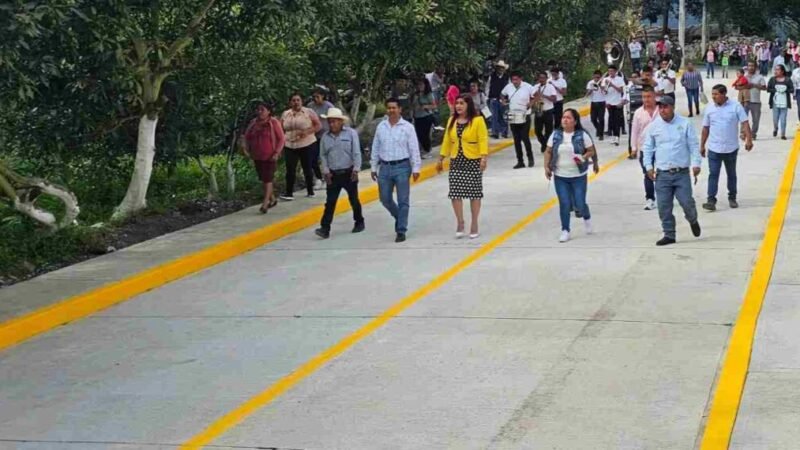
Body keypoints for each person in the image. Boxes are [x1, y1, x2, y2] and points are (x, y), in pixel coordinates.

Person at [641, 95, 702, 246]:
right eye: (660, 107)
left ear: (673, 107)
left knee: (686, 202)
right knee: (663, 206)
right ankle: (669, 234)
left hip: (681, 173)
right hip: (662, 174)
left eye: (665, 107)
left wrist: (696, 164)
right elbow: (647, 148)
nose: (663, 110)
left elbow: (693, 146)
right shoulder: (653, 127)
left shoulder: (685, 123)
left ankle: (692, 219)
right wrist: (648, 167)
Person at [436, 94, 489, 239]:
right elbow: (447, 140)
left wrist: (483, 157)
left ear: (468, 105)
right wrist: (441, 158)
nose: (458, 106)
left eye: (462, 103)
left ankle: (474, 223)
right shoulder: (451, 121)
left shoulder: (478, 121)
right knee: (455, 193)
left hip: (473, 160)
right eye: (457, 103)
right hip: (456, 160)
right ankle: (460, 222)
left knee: (474, 193)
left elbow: (483, 139)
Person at [370, 98, 422, 243]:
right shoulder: (381, 127)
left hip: (402, 167)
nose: (391, 110)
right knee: (384, 198)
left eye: (394, 108)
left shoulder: (407, 127)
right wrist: (373, 167)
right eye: (389, 108)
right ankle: (399, 217)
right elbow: (375, 147)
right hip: (385, 167)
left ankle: (401, 230)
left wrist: (416, 167)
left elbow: (414, 148)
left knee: (403, 200)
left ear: (400, 109)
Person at [544, 108, 597, 243]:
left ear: (575, 121)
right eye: (563, 117)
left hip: (578, 175)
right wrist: (546, 167)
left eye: (568, 118)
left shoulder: (582, 135)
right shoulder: (555, 135)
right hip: (561, 176)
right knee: (565, 203)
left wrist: (583, 157)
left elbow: (591, 150)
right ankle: (565, 230)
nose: (565, 120)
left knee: (579, 203)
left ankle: (587, 217)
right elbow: (548, 151)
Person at [700, 85, 754, 213]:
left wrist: (749, 139)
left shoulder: (735, 106)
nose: (713, 97)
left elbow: (745, 123)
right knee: (713, 174)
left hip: (731, 149)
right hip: (714, 148)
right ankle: (711, 200)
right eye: (712, 94)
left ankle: (732, 197)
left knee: (731, 174)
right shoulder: (709, 108)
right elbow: (705, 128)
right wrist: (702, 145)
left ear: (724, 94)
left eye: (716, 94)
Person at [314, 108, 365, 238]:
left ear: (341, 122)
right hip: (333, 174)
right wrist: (326, 171)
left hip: (349, 172)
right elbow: (323, 155)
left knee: (353, 199)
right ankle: (325, 228)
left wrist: (356, 169)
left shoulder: (351, 134)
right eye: (330, 122)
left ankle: (359, 221)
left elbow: (356, 152)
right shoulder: (325, 137)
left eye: (335, 122)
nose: (332, 124)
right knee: (330, 202)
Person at [244, 102, 285, 214]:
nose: (260, 112)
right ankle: (272, 199)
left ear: (268, 111)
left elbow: (281, 139)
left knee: (268, 179)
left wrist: (277, 152)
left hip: (270, 156)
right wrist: (246, 149)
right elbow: (246, 137)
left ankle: (265, 203)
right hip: (257, 156)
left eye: (262, 109)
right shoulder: (253, 123)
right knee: (264, 179)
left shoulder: (273, 122)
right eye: (258, 109)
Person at [281, 93, 322, 200]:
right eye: (293, 100)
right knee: (290, 168)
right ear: (290, 102)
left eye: (298, 100)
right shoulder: (286, 114)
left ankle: (310, 190)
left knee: (307, 167)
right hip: (290, 144)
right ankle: (289, 193)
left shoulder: (308, 112)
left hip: (306, 143)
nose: (296, 102)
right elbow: (281, 128)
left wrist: (308, 132)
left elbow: (318, 125)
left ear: (301, 101)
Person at [630, 86, 660, 211]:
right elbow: (635, 131)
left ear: (654, 97)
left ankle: (664, 196)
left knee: (662, 173)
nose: (646, 99)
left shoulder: (662, 110)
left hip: (661, 147)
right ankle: (650, 199)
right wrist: (633, 147)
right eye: (644, 97)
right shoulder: (638, 113)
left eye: (649, 97)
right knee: (647, 173)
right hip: (644, 148)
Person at [501, 70, 538, 168]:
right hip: (512, 113)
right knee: (516, 139)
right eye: (513, 79)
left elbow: (537, 95)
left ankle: (530, 158)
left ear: (521, 79)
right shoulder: (508, 87)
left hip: (525, 113)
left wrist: (531, 103)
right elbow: (502, 94)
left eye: (516, 79)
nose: (514, 81)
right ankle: (520, 161)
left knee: (525, 137)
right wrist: (503, 100)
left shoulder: (528, 86)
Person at [308, 89, 335, 189]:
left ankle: (328, 178)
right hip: (314, 136)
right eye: (314, 97)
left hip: (326, 135)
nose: (315, 99)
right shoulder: (311, 106)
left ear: (323, 96)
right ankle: (318, 178)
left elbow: (334, 119)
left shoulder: (328, 106)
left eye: (317, 97)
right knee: (313, 158)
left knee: (326, 158)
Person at [738, 61, 767, 140]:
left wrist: (755, 85)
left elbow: (764, 88)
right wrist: (746, 86)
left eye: (752, 66)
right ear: (747, 67)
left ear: (756, 67)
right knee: (743, 118)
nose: (751, 67)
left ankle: (753, 133)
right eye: (749, 66)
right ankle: (743, 133)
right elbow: (737, 87)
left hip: (756, 101)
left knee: (756, 120)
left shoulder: (760, 77)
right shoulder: (743, 77)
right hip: (745, 101)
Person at [532, 71, 559, 155]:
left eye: (543, 78)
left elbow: (554, 99)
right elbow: (531, 97)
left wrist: (543, 95)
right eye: (540, 78)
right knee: (537, 131)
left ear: (546, 79)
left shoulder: (550, 87)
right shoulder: (535, 87)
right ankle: (545, 144)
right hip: (539, 110)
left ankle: (546, 146)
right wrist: (536, 96)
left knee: (548, 131)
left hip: (548, 110)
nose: (542, 79)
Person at [411, 78, 437, 159]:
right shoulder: (415, 95)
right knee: (419, 134)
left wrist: (425, 106)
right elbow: (413, 106)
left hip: (426, 116)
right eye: (419, 84)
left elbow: (434, 105)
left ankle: (427, 150)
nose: (420, 86)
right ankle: (423, 150)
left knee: (425, 135)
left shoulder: (428, 94)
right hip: (417, 117)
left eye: (422, 84)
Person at [767, 64, 794, 140]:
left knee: (783, 119)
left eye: (778, 70)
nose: (776, 71)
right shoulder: (772, 79)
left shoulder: (787, 80)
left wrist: (785, 90)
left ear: (782, 71)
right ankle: (775, 128)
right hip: (775, 102)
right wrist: (776, 90)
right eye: (775, 69)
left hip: (784, 102)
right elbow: (768, 89)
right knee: (775, 118)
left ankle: (783, 134)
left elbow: (792, 89)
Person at [485, 60, 510, 139]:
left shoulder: (507, 77)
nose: (500, 69)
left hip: (503, 100)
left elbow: (509, 88)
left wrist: (508, 99)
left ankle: (504, 132)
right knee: (494, 116)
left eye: (502, 68)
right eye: (499, 68)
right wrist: (487, 97)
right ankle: (495, 132)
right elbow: (488, 87)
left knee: (503, 116)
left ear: (504, 69)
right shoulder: (492, 76)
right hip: (493, 99)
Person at [603, 65, 626, 146]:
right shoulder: (605, 79)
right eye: (609, 71)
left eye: (612, 71)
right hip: (609, 103)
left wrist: (612, 85)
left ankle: (617, 137)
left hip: (617, 102)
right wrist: (605, 88)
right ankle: (613, 136)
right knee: (611, 121)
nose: (610, 73)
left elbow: (621, 90)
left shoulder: (620, 79)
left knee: (617, 120)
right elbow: (604, 92)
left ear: (615, 72)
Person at [586, 70, 607, 141]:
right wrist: (591, 89)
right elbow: (587, 95)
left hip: (602, 102)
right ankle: (599, 129)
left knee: (601, 119)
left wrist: (601, 86)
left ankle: (601, 135)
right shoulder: (590, 83)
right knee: (593, 119)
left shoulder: (604, 82)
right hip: (594, 102)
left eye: (598, 77)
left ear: (600, 77)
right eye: (595, 77)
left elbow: (606, 92)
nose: (596, 79)